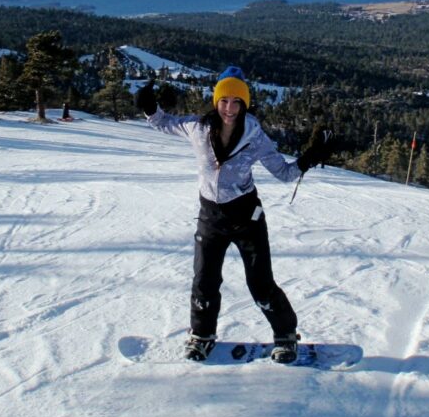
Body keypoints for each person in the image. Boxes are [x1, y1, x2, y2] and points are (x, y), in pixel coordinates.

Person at [135, 66, 332, 363]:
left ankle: (286, 336)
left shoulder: (255, 136)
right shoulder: (197, 128)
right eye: (224, 101)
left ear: (245, 104)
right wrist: (150, 106)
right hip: (210, 216)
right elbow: (163, 122)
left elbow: (283, 172)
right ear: (216, 101)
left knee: (260, 284)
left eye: (236, 102)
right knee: (204, 280)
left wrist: (308, 158)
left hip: (247, 218)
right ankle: (201, 335)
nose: (229, 108)